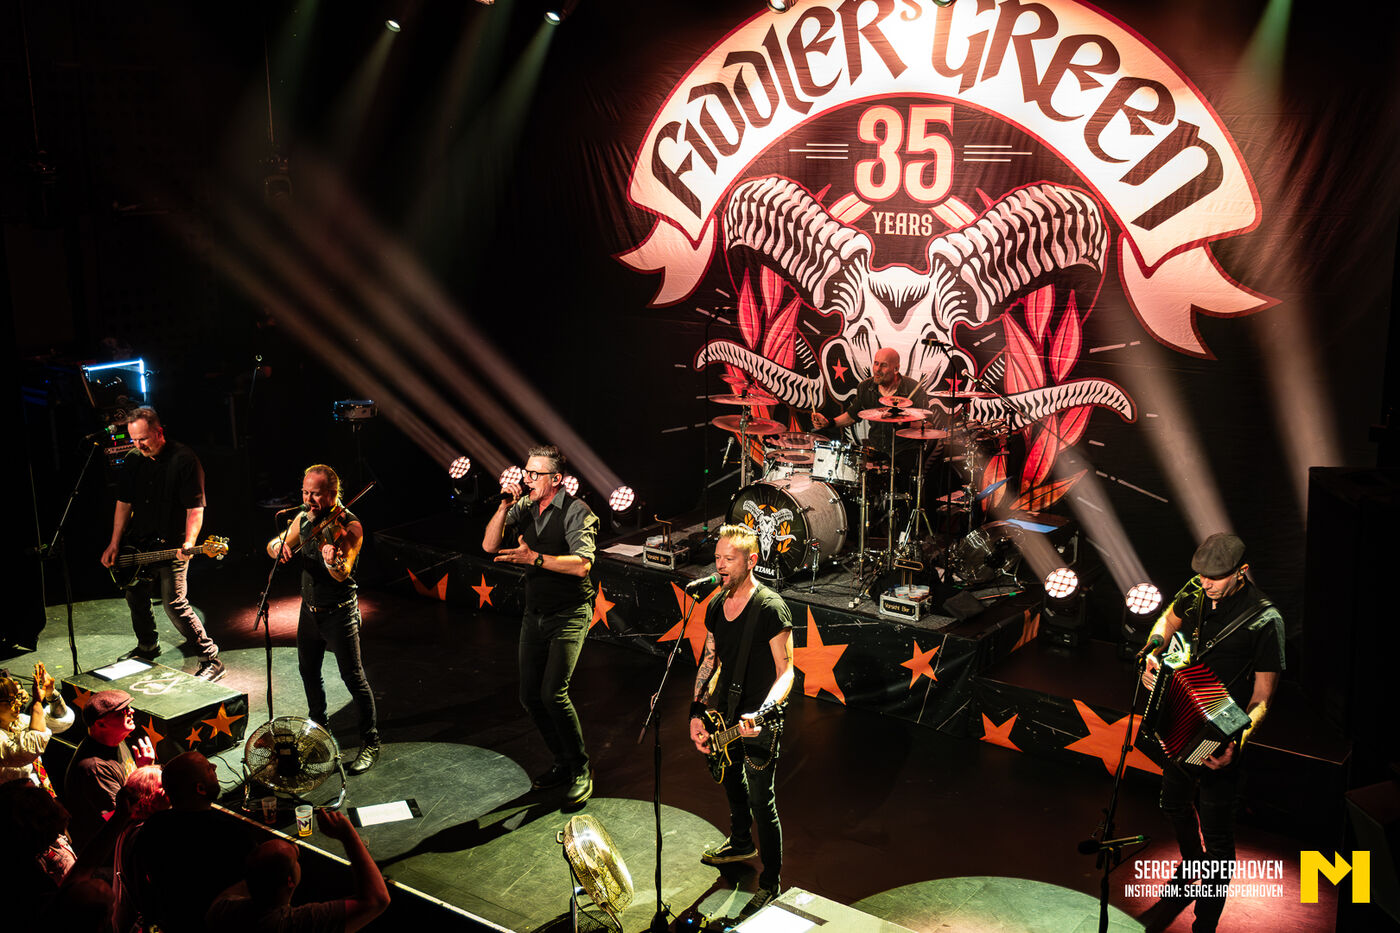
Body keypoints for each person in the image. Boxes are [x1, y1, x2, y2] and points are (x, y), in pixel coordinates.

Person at [1141, 532, 1284, 933]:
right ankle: (1192, 865)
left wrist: (1238, 742)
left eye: (1215, 577)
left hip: (1223, 733)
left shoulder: (1265, 619)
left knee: (1218, 838)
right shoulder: (1196, 590)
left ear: (1241, 572)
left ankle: (1206, 921)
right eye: (1201, 575)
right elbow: (1167, 619)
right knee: (1172, 805)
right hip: (1181, 720)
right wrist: (1153, 649)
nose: (1205, 583)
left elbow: (1263, 696)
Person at [482, 444, 599, 807]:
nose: (528, 479)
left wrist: (535, 558)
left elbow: (583, 565)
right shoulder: (524, 506)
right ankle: (562, 761)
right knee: (529, 696)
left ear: (556, 479)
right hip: (535, 613)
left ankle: (581, 769)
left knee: (553, 694)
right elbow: (489, 545)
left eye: (535, 474)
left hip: (570, 613)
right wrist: (503, 506)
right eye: (526, 473)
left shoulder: (577, 512)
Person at [689, 524, 794, 912]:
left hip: (760, 721)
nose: (720, 566)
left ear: (751, 561)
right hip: (726, 716)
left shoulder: (770, 608)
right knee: (731, 781)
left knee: (761, 801)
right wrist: (696, 712)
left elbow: (787, 671)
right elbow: (709, 661)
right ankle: (739, 842)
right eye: (717, 558)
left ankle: (770, 882)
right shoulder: (716, 605)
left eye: (728, 559)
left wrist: (763, 711)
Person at [269, 464, 380, 775]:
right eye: (305, 492)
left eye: (315, 494)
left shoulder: (351, 526)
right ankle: (320, 729)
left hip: (340, 613)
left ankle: (370, 741)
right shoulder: (304, 518)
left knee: (353, 679)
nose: (308, 499)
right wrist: (279, 547)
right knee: (308, 672)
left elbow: (342, 573)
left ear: (332, 493)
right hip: (309, 611)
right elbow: (274, 544)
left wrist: (333, 561)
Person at [100, 407, 224, 681]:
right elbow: (124, 503)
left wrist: (190, 542)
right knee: (135, 594)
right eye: (134, 439)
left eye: (143, 438)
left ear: (159, 432)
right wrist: (114, 542)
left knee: (174, 603)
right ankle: (147, 646)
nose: (138, 445)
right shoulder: (133, 460)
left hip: (173, 545)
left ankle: (210, 659)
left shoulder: (184, 460)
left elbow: (195, 509)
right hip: (139, 542)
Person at [117, 750, 259, 933]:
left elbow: (142, 885)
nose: (215, 766)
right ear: (200, 789)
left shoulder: (153, 827)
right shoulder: (233, 832)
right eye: (209, 768)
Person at [205, 807, 390, 932]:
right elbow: (377, 900)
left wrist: (275, 860)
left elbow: (259, 874)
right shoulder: (297, 924)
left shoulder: (222, 910)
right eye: (296, 860)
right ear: (290, 881)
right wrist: (348, 836)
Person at [63, 689, 156, 851]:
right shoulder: (94, 768)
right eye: (122, 711)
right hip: (108, 853)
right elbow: (122, 819)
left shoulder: (114, 740)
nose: (131, 711)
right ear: (101, 724)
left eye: (129, 707)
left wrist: (143, 770)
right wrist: (147, 774)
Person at [811, 346, 932, 457]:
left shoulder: (913, 389)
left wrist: (905, 422)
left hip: (905, 452)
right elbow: (851, 416)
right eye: (876, 363)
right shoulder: (866, 387)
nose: (877, 369)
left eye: (883, 365)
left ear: (896, 369)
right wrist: (829, 422)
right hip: (876, 451)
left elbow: (928, 424)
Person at [0, 662, 73, 793]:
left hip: (39, 793)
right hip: (14, 801)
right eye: (11, 700)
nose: (18, 703)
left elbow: (60, 722)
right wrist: (37, 702)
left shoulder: (19, 721)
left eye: (17, 697)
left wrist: (50, 694)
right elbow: (25, 752)